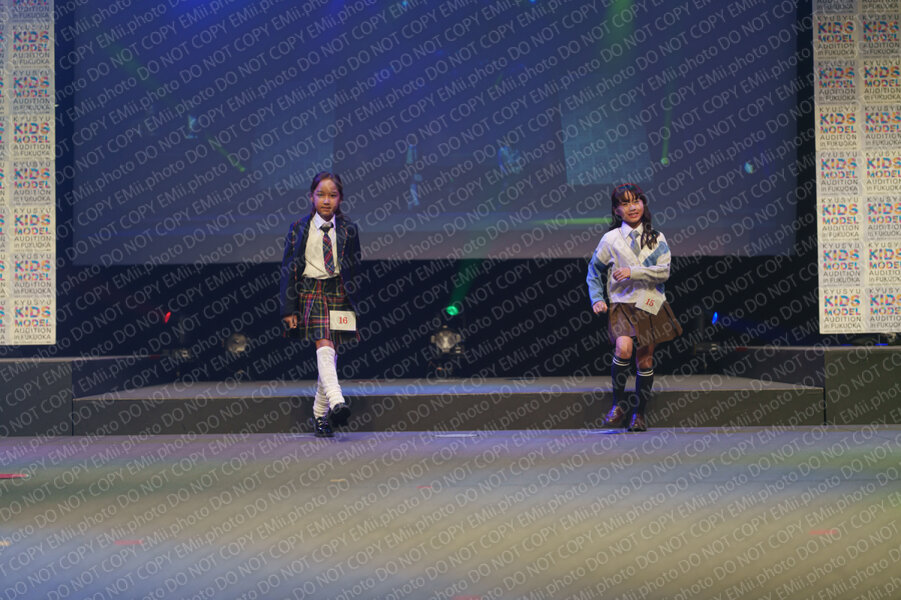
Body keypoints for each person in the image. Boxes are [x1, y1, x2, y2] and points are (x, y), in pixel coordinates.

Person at [586, 183, 681, 432]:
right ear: (616, 210)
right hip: (621, 303)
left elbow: (664, 272)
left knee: (644, 359)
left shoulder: (657, 237)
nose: (632, 207)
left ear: (643, 203)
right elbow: (594, 270)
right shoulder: (611, 239)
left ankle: (639, 414)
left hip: (649, 302)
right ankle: (618, 405)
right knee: (623, 347)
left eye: (636, 201)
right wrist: (597, 298)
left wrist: (633, 271)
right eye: (625, 203)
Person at [279, 172, 362, 437]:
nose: (326, 200)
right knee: (324, 345)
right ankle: (337, 401)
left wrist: (354, 301)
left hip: (338, 290)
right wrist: (288, 309)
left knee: (330, 354)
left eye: (332, 195)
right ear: (311, 197)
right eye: (321, 194)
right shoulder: (298, 228)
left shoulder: (348, 229)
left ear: (340, 199)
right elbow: (288, 269)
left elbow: (355, 267)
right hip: (310, 290)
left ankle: (319, 416)